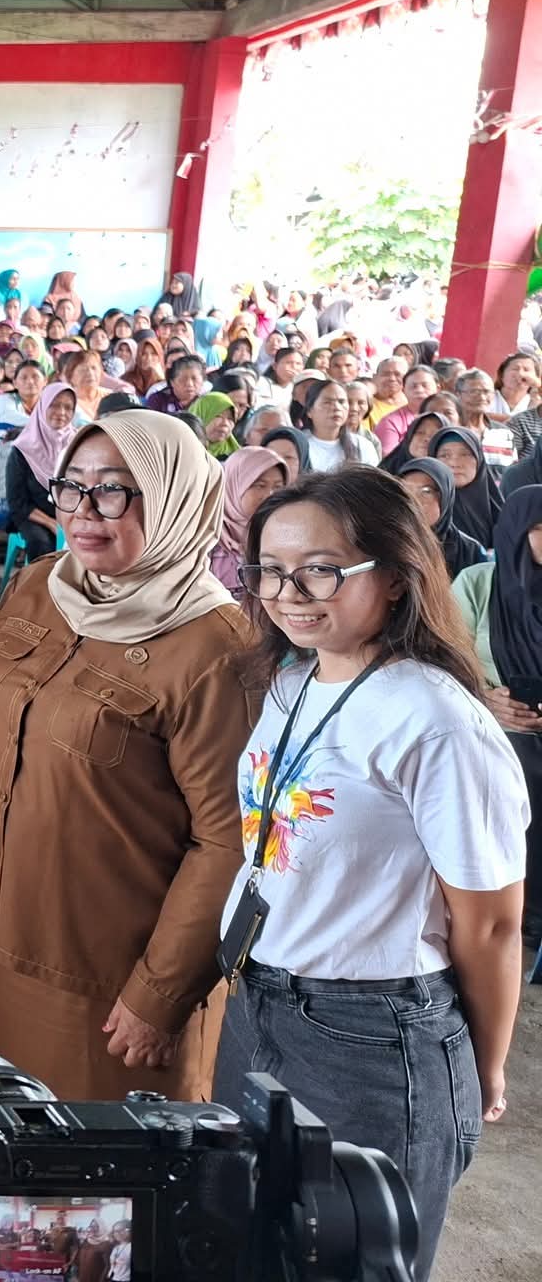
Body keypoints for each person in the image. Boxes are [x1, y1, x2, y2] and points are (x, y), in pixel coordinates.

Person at [218, 466, 529, 1280]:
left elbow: (493, 924)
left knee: (353, 1264)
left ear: (394, 576)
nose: (290, 594)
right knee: (251, 1250)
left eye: (320, 570)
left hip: (371, 1038)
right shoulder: (292, 682)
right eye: (271, 571)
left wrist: (484, 1064)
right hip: (258, 1003)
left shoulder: (437, 721)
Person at [0, 411, 252, 1100]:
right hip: (18, 938)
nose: (84, 512)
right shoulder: (41, 588)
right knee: (17, 1138)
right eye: (72, 487)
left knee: (105, 1158)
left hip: (119, 981)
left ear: (173, 497)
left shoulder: (216, 649)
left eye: (113, 490)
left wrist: (160, 992)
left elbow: (230, 843)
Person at [450, 485, 542, 948]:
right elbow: (443, 661)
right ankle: (514, 914)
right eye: (539, 529)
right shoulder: (477, 584)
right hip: (491, 732)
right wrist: (485, 700)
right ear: (514, 531)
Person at [3, 384, 77, 562]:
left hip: (69, 514)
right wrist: (52, 524)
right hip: (32, 515)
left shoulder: (77, 444)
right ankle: (41, 580)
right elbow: (17, 502)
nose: (61, 412)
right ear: (42, 407)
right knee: (42, 543)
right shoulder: (22, 449)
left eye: (68, 407)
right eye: (54, 405)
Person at [211, 447, 288, 600]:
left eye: (278, 487)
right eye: (260, 485)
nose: (270, 495)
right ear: (233, 486)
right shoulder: (206, 541)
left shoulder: (290, 538)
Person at [398, 458, 489, 579]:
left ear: (445, 497)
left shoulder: (470, 551)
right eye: (405, 491)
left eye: (426, 491)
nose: (413, 500)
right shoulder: (385, 542)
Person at [429, 425, 502, 549]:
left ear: (479, 460)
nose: (454, 463)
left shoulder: (498, 510)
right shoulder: (422, 506)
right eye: (445, 455)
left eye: (465, 454)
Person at [294, 380, 377, 470]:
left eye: (341, 402)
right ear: (309, 411)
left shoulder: (363, 446)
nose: (337, 408)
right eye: (327, 402)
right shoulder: (297, 445)